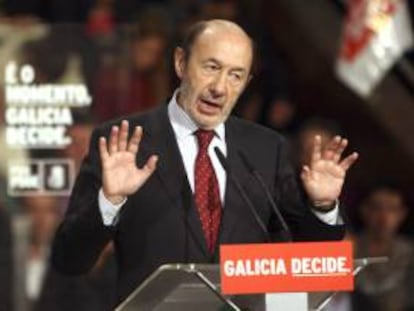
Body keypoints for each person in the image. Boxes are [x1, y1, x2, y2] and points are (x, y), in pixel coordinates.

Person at [51, 19, 359, 305]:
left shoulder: (266, 148)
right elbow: (69, 259)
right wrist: (110, 200)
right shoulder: (125, 141)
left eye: (235, 75)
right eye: (211, 67)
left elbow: (313, 257)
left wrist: (322, 208)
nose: (220, 87)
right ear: (181, 63)